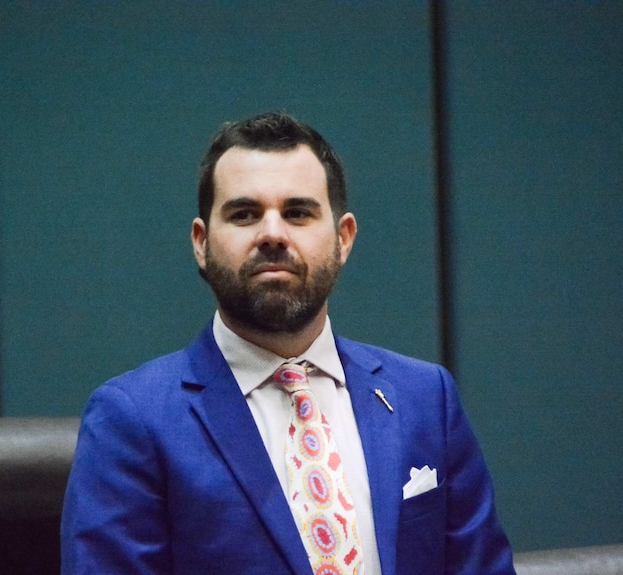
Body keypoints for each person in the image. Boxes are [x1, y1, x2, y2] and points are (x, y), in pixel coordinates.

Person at [60, 112, 515, 575]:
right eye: (244, 214)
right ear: (201, 242)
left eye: (298, 213)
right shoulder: (132, 420)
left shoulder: (424, 399)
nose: (273, 234)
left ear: (344, 238)